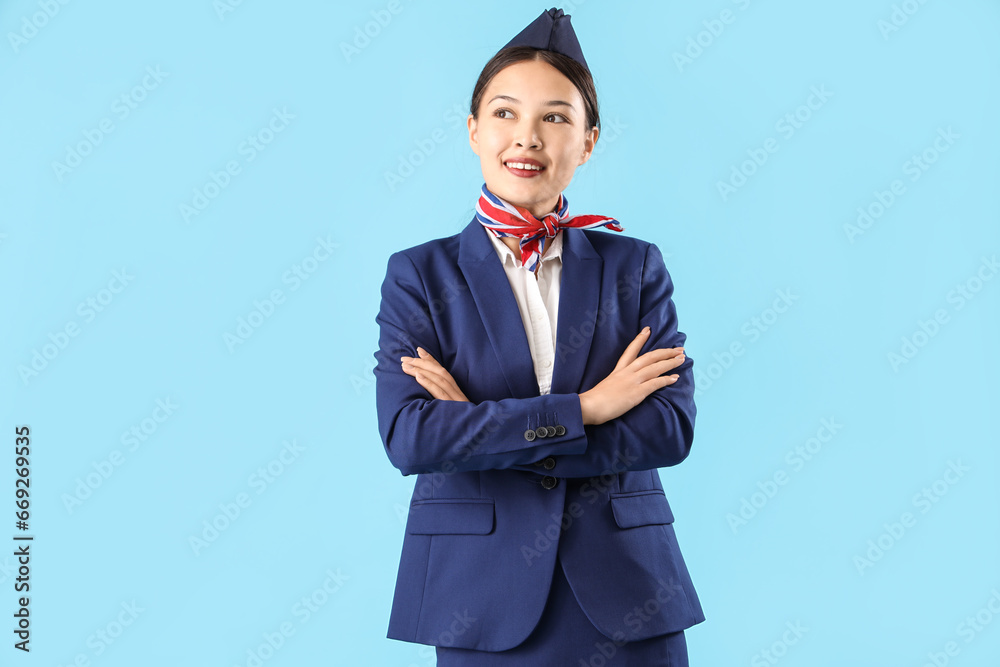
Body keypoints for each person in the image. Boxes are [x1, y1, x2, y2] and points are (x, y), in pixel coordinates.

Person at [373, 7, 704, 665]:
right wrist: (588, 409)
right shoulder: (419, 275)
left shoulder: (633, 267)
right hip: (480, 599)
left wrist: (478, 427)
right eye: (504, 113)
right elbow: (411, 438)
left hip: (630, 596)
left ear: (587, 142)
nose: (526, 137)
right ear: (473, 130)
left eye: (555, 117)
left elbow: (669, 429)